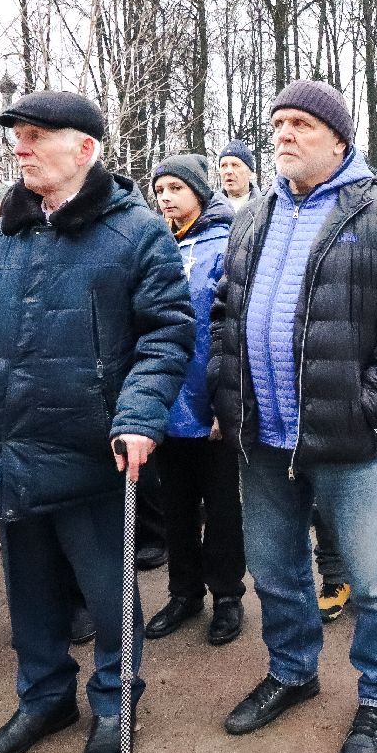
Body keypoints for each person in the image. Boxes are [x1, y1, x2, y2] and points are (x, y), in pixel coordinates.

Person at [0, 91, 192, 753]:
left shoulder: (136, 232)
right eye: (17, 136)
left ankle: (116, 703)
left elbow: (167, 334)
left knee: (108, 592)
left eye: (36, 136)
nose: (19, 148)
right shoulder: (3, 233)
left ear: (85, 148)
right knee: (29, 592)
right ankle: (44, 698)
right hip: (7, 446)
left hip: (93, 450)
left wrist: (138, 414)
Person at [211, 79, 377, 753]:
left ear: (339, 139)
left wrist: (368, 401)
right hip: (263, 435)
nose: (283, 134)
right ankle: (292, 671)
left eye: (301, 124)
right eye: (278, 122)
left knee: (373, 580)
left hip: (350, 439)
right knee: (275, 569)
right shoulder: (254, 213)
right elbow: (226, 310)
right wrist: (226, 394)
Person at [142, 154, 246, 647]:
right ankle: (184, 593)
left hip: (211, 398)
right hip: (167, 397)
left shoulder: (227, 243)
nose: (166, 198)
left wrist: (227, 400)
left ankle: (227, 595)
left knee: (221, 506)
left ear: (200, 192)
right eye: (160, 190)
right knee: (176, 504)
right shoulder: (155, 245)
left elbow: (234, 325)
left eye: (175, 188)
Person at [218, 139, 259, 213]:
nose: (228, 171)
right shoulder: (209, 209)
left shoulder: (265, 208)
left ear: (250, 173)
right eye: (223, 165)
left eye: (235, 165)